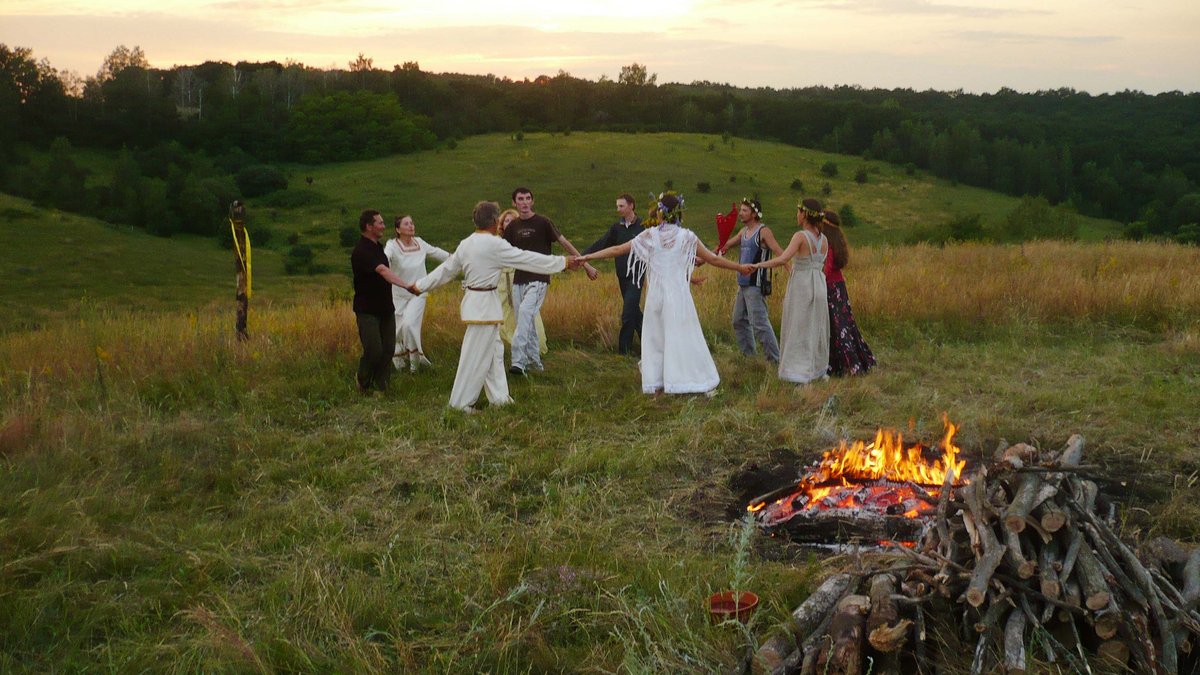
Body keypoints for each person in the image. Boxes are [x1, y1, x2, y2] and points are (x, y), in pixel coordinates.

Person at [575, 192, 753, 395]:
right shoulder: (687, 237)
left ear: (660, 214)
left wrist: (587, 256)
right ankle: (685, 380)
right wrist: (739, 268)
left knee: (656, 339)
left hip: (657, 298)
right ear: (679, 214)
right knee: (683, 336)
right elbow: (714, 260)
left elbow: (617, 250)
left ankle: (658, 382)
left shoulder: (649, 236)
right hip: (679, 297)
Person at [414, 200, 576, 412]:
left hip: (478, 306)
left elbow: (446, 271)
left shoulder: (466, 243)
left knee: (495, 353)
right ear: (493, 221)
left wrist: (419, 286)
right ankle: (460, 404)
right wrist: (562, 262)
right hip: (484, 309)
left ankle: (499, 399)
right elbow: (527, 259)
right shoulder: (495, 244)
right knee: (474, 356)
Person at [503, 187, 597, 376]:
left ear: (532, 201)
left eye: (528, 198)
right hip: (519, 279)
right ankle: (535, 363)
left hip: (539, 279)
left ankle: (518, 362)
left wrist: (586, 265)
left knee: (525, 314)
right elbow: (502, 251)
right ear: (514, 203)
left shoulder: (543, 222)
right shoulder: (512, 228)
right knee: (526, 319)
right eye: (520, 199)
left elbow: (564, 243)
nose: (524, 202)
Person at [754, 198, 830, 384]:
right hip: (819, 283)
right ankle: (817, 368)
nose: (796, 215)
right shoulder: (824, 239)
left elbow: (783, 259)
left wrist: (758, 265)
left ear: (804, 215)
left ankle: (798, 372)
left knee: (798, 326)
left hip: (803, 284)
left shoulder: (800, 236)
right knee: (816, 327)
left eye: (798, 212)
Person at [350, 209, 419, 393]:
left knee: (388, 350)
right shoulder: (361, 251)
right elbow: (383, 271)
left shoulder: (378, 247)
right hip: (367, 310)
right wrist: (406, 285)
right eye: (379, 223)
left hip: (386, 308)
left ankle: (382, 388)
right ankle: (363, 381)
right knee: (374, 350)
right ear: (368, 226)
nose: (383, 226)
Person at [718, 198, 783, 364]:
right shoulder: (743, 232)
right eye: (741, 210)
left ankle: (775, 361)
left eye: (745, 210)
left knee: (759, 323)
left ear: (754, 214)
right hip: (743, 284)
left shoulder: (763, 232)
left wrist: (791, 268)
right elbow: (724, 247)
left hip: (756, 284)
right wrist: (705, 258)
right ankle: (750, 358)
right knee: (738, 320)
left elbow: (779, 251)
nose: (741, 213)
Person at [383, 215, 451, 372]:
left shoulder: (419, 243)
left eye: (412, 223)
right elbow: (386, 257)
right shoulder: (392, 245)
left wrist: (455, 259)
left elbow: (437, 252)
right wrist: (381, 263)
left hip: (418, 292)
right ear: (398, 229)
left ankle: (415, 365)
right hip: (398, 295)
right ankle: (399, 361)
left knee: (409, 325)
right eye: (406, 224)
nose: (411, 226)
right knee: (398, 330)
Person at [583, 193, 645, 355]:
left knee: (627, 313)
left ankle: (623, 352)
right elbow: (602, 244)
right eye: (617, 206)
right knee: (634, 312)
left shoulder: (644, 226)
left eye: (621, 206)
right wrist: (582, 256)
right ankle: (650, 346)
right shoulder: (616, 228)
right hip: (622, 275)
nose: (618, 209)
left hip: (637, 275)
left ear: (631, 205)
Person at [822, 211, 876, 376]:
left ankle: (848, 364)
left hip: (831, 288)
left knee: (837, 326)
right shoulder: (837, 241)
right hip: (839, 286)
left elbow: (826, 269)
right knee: (844, 324)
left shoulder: (828, 244)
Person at [496, 208, 547, 355]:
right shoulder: (497, 241)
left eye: (513, 220)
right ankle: (508, 346)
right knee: (504, 313)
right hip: (501, 283)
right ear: (501, 223)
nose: (509, 223)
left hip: (520, 280)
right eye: (506, 220)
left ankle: (535, 347)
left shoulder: (523, 239)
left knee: (526, 313)